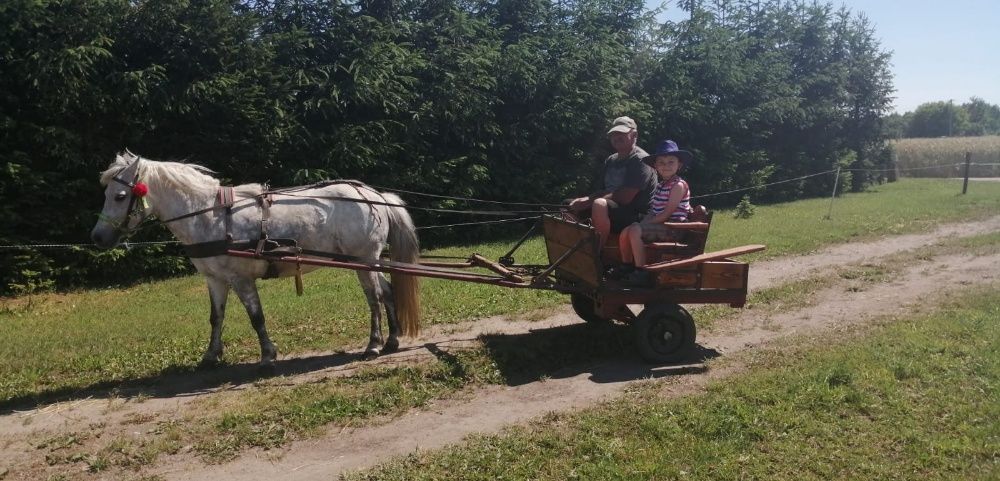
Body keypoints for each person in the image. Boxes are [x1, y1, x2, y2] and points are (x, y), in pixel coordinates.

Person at [567, 116, 658, 247]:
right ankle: (574, 247)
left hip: (636, 214)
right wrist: (585, 199)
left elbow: (625, 197)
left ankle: (597, 252)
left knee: (598, 204)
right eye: (613, 134)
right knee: (569, 205)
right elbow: (602, 189)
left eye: (621, 133)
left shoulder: (641, 160)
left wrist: (589, 200)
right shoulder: (610, 160)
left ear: (634, 135)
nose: (616, 137)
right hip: (610, 208)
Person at [617, 139, 694, 286]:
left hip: (674, 228)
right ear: (655, 166)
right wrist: (643, 223)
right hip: (662, 224)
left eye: (671, 162)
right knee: (626, 231)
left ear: (679, 165)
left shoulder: (678, 185)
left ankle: (641, 271)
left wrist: (644, 224)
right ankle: (627, 266)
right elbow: (654, 211)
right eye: (661, 162)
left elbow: (666, 213)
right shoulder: (661, 186)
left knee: (634, 230)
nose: (666, 166)